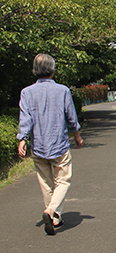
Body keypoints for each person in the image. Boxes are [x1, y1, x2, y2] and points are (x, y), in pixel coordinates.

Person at [17, 54, 83, 236]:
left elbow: (25, 118)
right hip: (59, 144)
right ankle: (51, 211)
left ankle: (55, 218)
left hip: (38, 145)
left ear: (34, 71)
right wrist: (77, 136)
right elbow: (71, 117)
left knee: (46, 183)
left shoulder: (27, 92)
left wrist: (22, 138)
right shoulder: (62, 91)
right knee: (63, 180)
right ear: (52, 70)